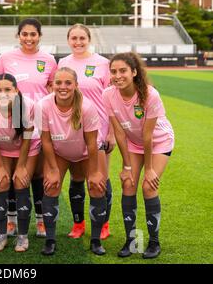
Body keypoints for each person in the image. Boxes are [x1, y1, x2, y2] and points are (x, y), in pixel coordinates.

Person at [0, 17, 57, 238]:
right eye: (24, 34)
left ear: (39, 36)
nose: (29, 38)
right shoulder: (7, 57)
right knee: (10, 175)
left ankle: (40, 221)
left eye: (33, 34)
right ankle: (10, 221)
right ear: (18, 36)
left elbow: (54, 87)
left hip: (38, 124)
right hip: (10, 124)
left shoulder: (48, 59)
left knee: (36, 175)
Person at [103, 52, 174, 259]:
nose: (118, 75)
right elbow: (118, 132)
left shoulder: (150, 94)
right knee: (128, 184)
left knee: (148, 186)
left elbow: (148, 135)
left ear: (134, 72)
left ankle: (154, 242)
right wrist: (126, 166)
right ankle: (131, 240)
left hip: (159, 141)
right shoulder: (108, 94)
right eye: (114, 71)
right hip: (134, 142)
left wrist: (150, 169)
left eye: (123, 70)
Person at [37, 67, 107, 256]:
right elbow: (46, 140)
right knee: (50, 185)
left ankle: (95, 240)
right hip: (59, 152)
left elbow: (92, 143)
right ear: (52, 85)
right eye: (58, 82)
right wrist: (52, 169)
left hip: (85, 152)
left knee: (96, 186)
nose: (63, 87)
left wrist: (94, 172)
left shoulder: (87, 107)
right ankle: (50, 240)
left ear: (76, 85)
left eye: (68, 83)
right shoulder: (43, 105)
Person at [58, 24, 115, 240]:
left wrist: (111, 134)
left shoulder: (102, 63)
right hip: (72, 131)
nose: (78, 42)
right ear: (68, 40)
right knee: (77, 178)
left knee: (100, 178)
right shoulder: (63, 63)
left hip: (99, 131)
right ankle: (78, 224)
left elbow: (111, 99)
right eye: (74, 38)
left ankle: (103, 224)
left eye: (82, 37)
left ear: (89, 39)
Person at [0, 74, 40, 252]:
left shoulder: (28, 106)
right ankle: (1, 235)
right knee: (1, 182)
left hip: (27, 147)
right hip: (3, 148)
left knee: (21, 181)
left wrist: (21, 166)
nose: (3, 94)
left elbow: (27, 139)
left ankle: (22, 237)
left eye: (8, 90)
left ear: (16, 91)